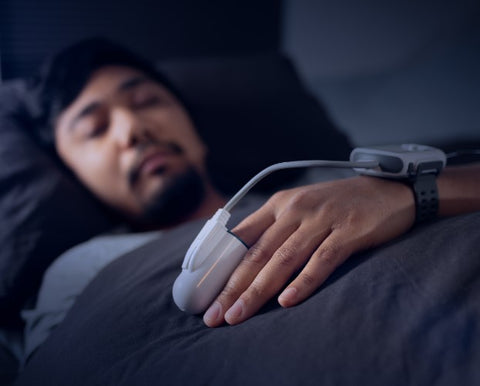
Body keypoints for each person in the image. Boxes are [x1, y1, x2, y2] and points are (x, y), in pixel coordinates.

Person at [25, 37, 480, 352]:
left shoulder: (328, 181)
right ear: (74, 175)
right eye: (95, 129)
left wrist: (408, 195)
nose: (133, 129)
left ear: (195, 129)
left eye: (147, 102)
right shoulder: (81, 269)